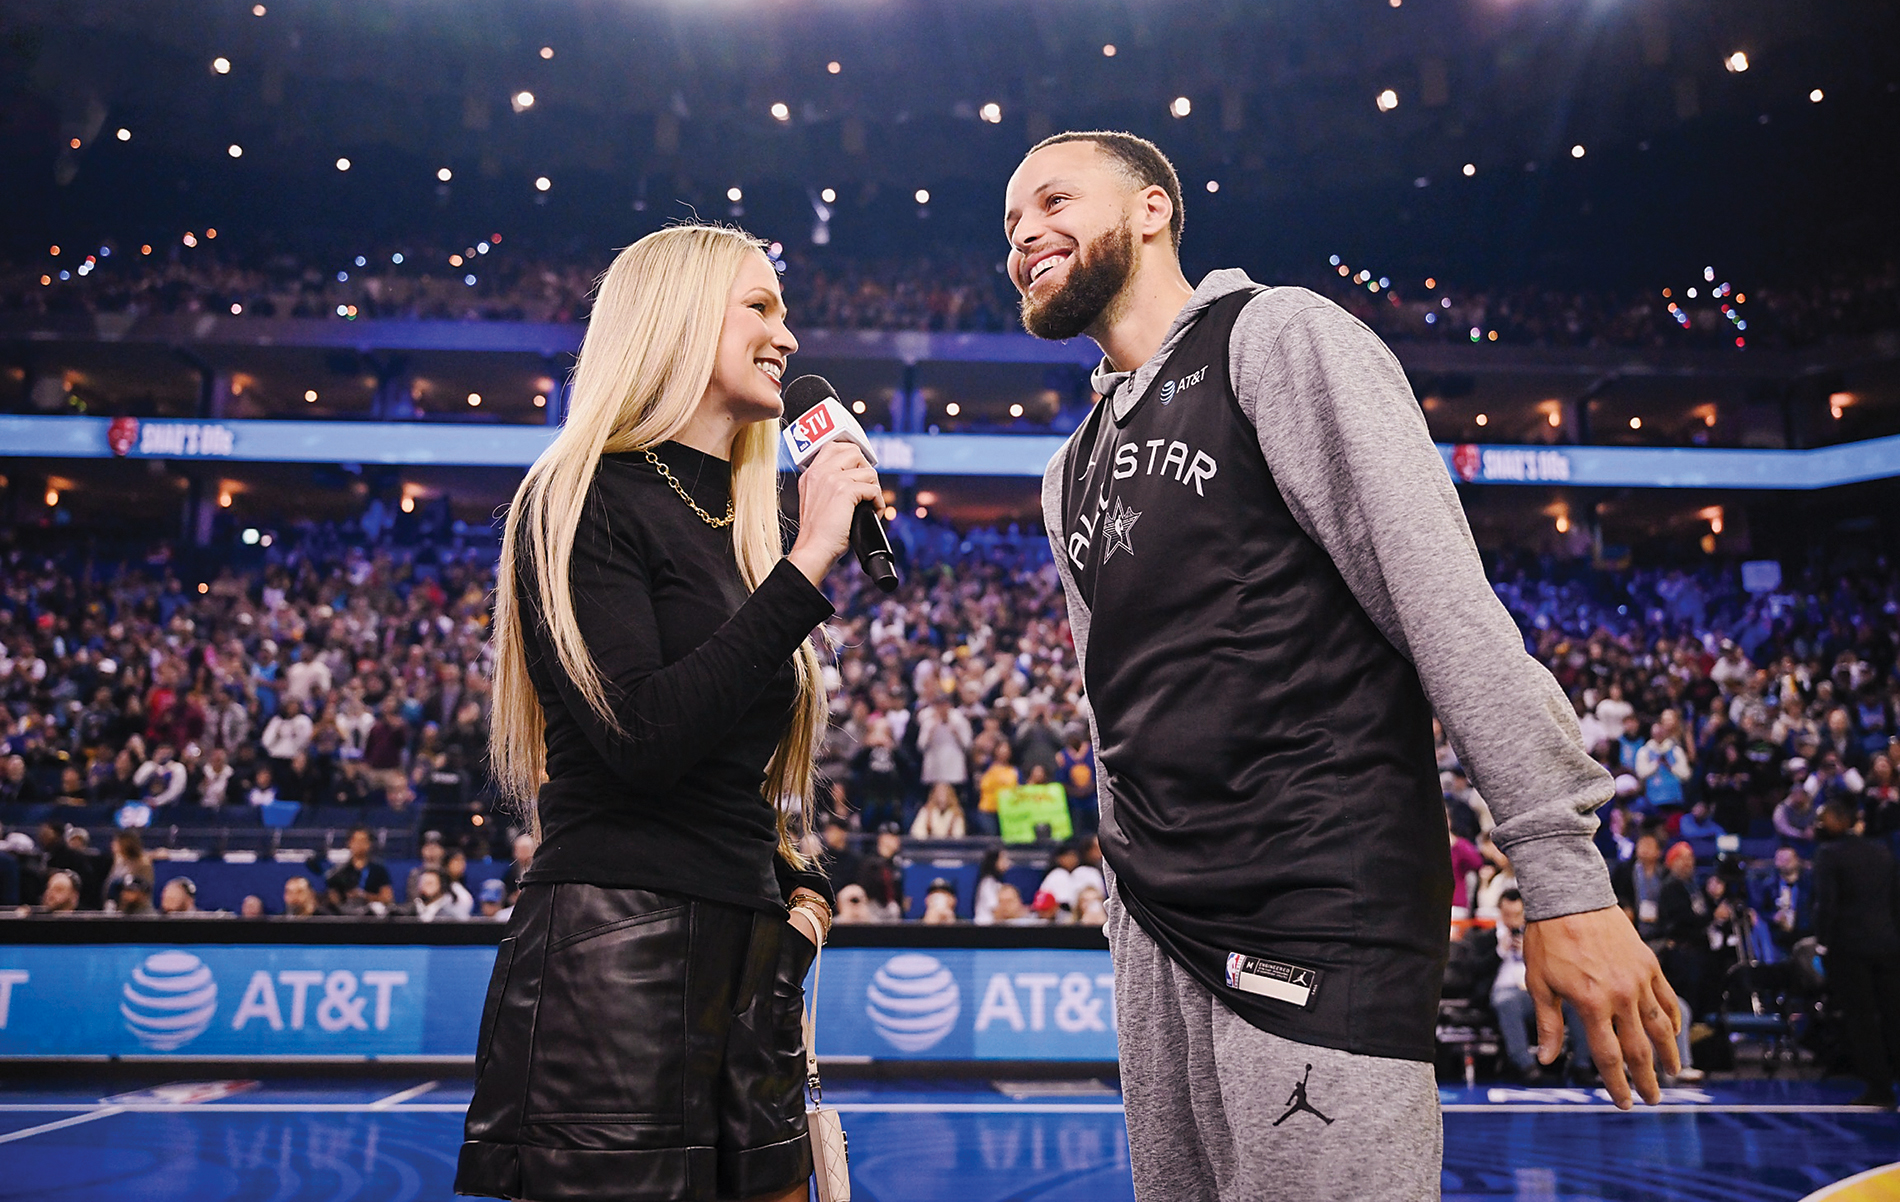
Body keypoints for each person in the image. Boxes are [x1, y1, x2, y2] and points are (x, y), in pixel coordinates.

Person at [1009, 130, 1675, 1199]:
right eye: (1009, 224)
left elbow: (1445, 605)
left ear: (1151, 209)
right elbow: (1110, 708)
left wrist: (1559, 872)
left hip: (1317, 910)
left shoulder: (1276, 337)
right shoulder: (1066, 467)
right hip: (1161, 936)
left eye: (1051, 199)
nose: (1025, 233)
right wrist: (1123, 909)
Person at [459, 225, 879, 1202]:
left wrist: (795, 882)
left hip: (749, 949)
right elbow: (643, 737)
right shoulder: (582, 494)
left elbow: (731, 754)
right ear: (680, 318)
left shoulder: (742, 521)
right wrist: (809, 562)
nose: (788, 333)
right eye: (761, 306)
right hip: (617, 958)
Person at [1813, 799, 1900, 1108]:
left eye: (1823, 818)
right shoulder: (1882, 851)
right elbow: (1895, 903)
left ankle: (1879, 1088)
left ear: (1839, 819)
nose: (1819, 824)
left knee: (1862, 1020)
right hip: (1889, 945)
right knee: (1894, 1015)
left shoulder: (1828, 855)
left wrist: (1822, 944)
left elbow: (1827, 905)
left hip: (1849, 949)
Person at [325, 826, 395, 914]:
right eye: (356, 841)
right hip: (346, 916)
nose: (359, 844)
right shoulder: (339, 872)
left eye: (363, 841)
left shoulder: (378, 869)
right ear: (349, 843)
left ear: (369, 844)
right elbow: (334, 901)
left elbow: (388, 899)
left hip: (373, 916)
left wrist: (365, 896)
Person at [973, 847, 1014, 926]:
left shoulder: (996, 882)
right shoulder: (988, 883)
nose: (1007, 863)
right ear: (994, 862)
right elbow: (995, 910)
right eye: (1003, 859)